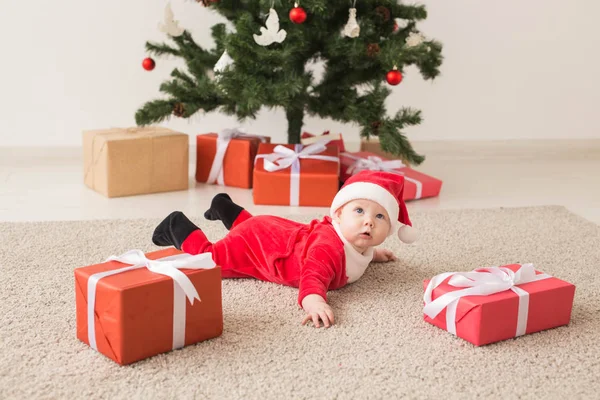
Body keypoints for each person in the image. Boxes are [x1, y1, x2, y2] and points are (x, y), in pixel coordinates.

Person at [152, 170, 417, 328]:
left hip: (270, 230)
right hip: (262, 248)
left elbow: (360, 248)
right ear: (337, 214)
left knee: (252, 225)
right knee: (212, 262)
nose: (368, 221)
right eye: (358, 211)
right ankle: (177, 226)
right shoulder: (328, 249)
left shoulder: (357, 240)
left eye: (380, 217)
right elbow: (312, 275)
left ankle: (224, 207)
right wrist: (314, 300)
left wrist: (375, 255)